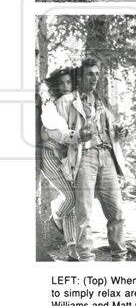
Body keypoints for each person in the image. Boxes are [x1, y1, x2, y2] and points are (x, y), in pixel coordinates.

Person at [49, 57, 128, 262]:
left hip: (107, 156)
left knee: (116, 211)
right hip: (85, 157)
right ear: (81, 77)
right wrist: (76, 135)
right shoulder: (66, 101)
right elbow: (54, 131)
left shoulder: (102, 101)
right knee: (83, 212)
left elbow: (112, 130)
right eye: (90, 74)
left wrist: (120, 132)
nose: (95, 78)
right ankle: (86, 258)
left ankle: (120, 257)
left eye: (97, 74)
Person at [38, 67, 77, 244]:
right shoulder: (50, 104)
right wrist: (75, 136)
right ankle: (55, 216)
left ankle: (72, 251)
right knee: (71, 197)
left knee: (72, 199)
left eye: (68, 82)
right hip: (51, 154)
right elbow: (55, 130)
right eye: (61, 83)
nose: (65, 86)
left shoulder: (73, 102)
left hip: (66, 155)